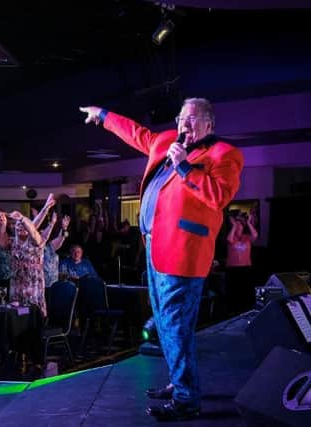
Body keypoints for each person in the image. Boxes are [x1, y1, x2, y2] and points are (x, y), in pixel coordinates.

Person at [80, 98, 243, 420]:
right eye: (182, 118)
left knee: (174, 327)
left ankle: (186, 399)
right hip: (155, 249)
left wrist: (183, 167)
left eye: (193, 120)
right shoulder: (167, 141)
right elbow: (135, 132)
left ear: (209, 125)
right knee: (167, 325)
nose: (185, 125)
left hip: (184, 253)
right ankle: (179, 381)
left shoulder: (224, 154)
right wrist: (103, 115)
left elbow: (218, 197)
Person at [225, 211, 258, 313]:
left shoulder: (247, 237)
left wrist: (248, 223)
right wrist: (234, 225)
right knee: (233, 292)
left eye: (240, 226)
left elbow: (255, 235)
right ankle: (233, 311)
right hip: (233, 269)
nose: (239, 227)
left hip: (245, 268)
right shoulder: (231, 237)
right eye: (237, 226)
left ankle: (246, 310)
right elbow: (229, 240)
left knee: (246, 291)